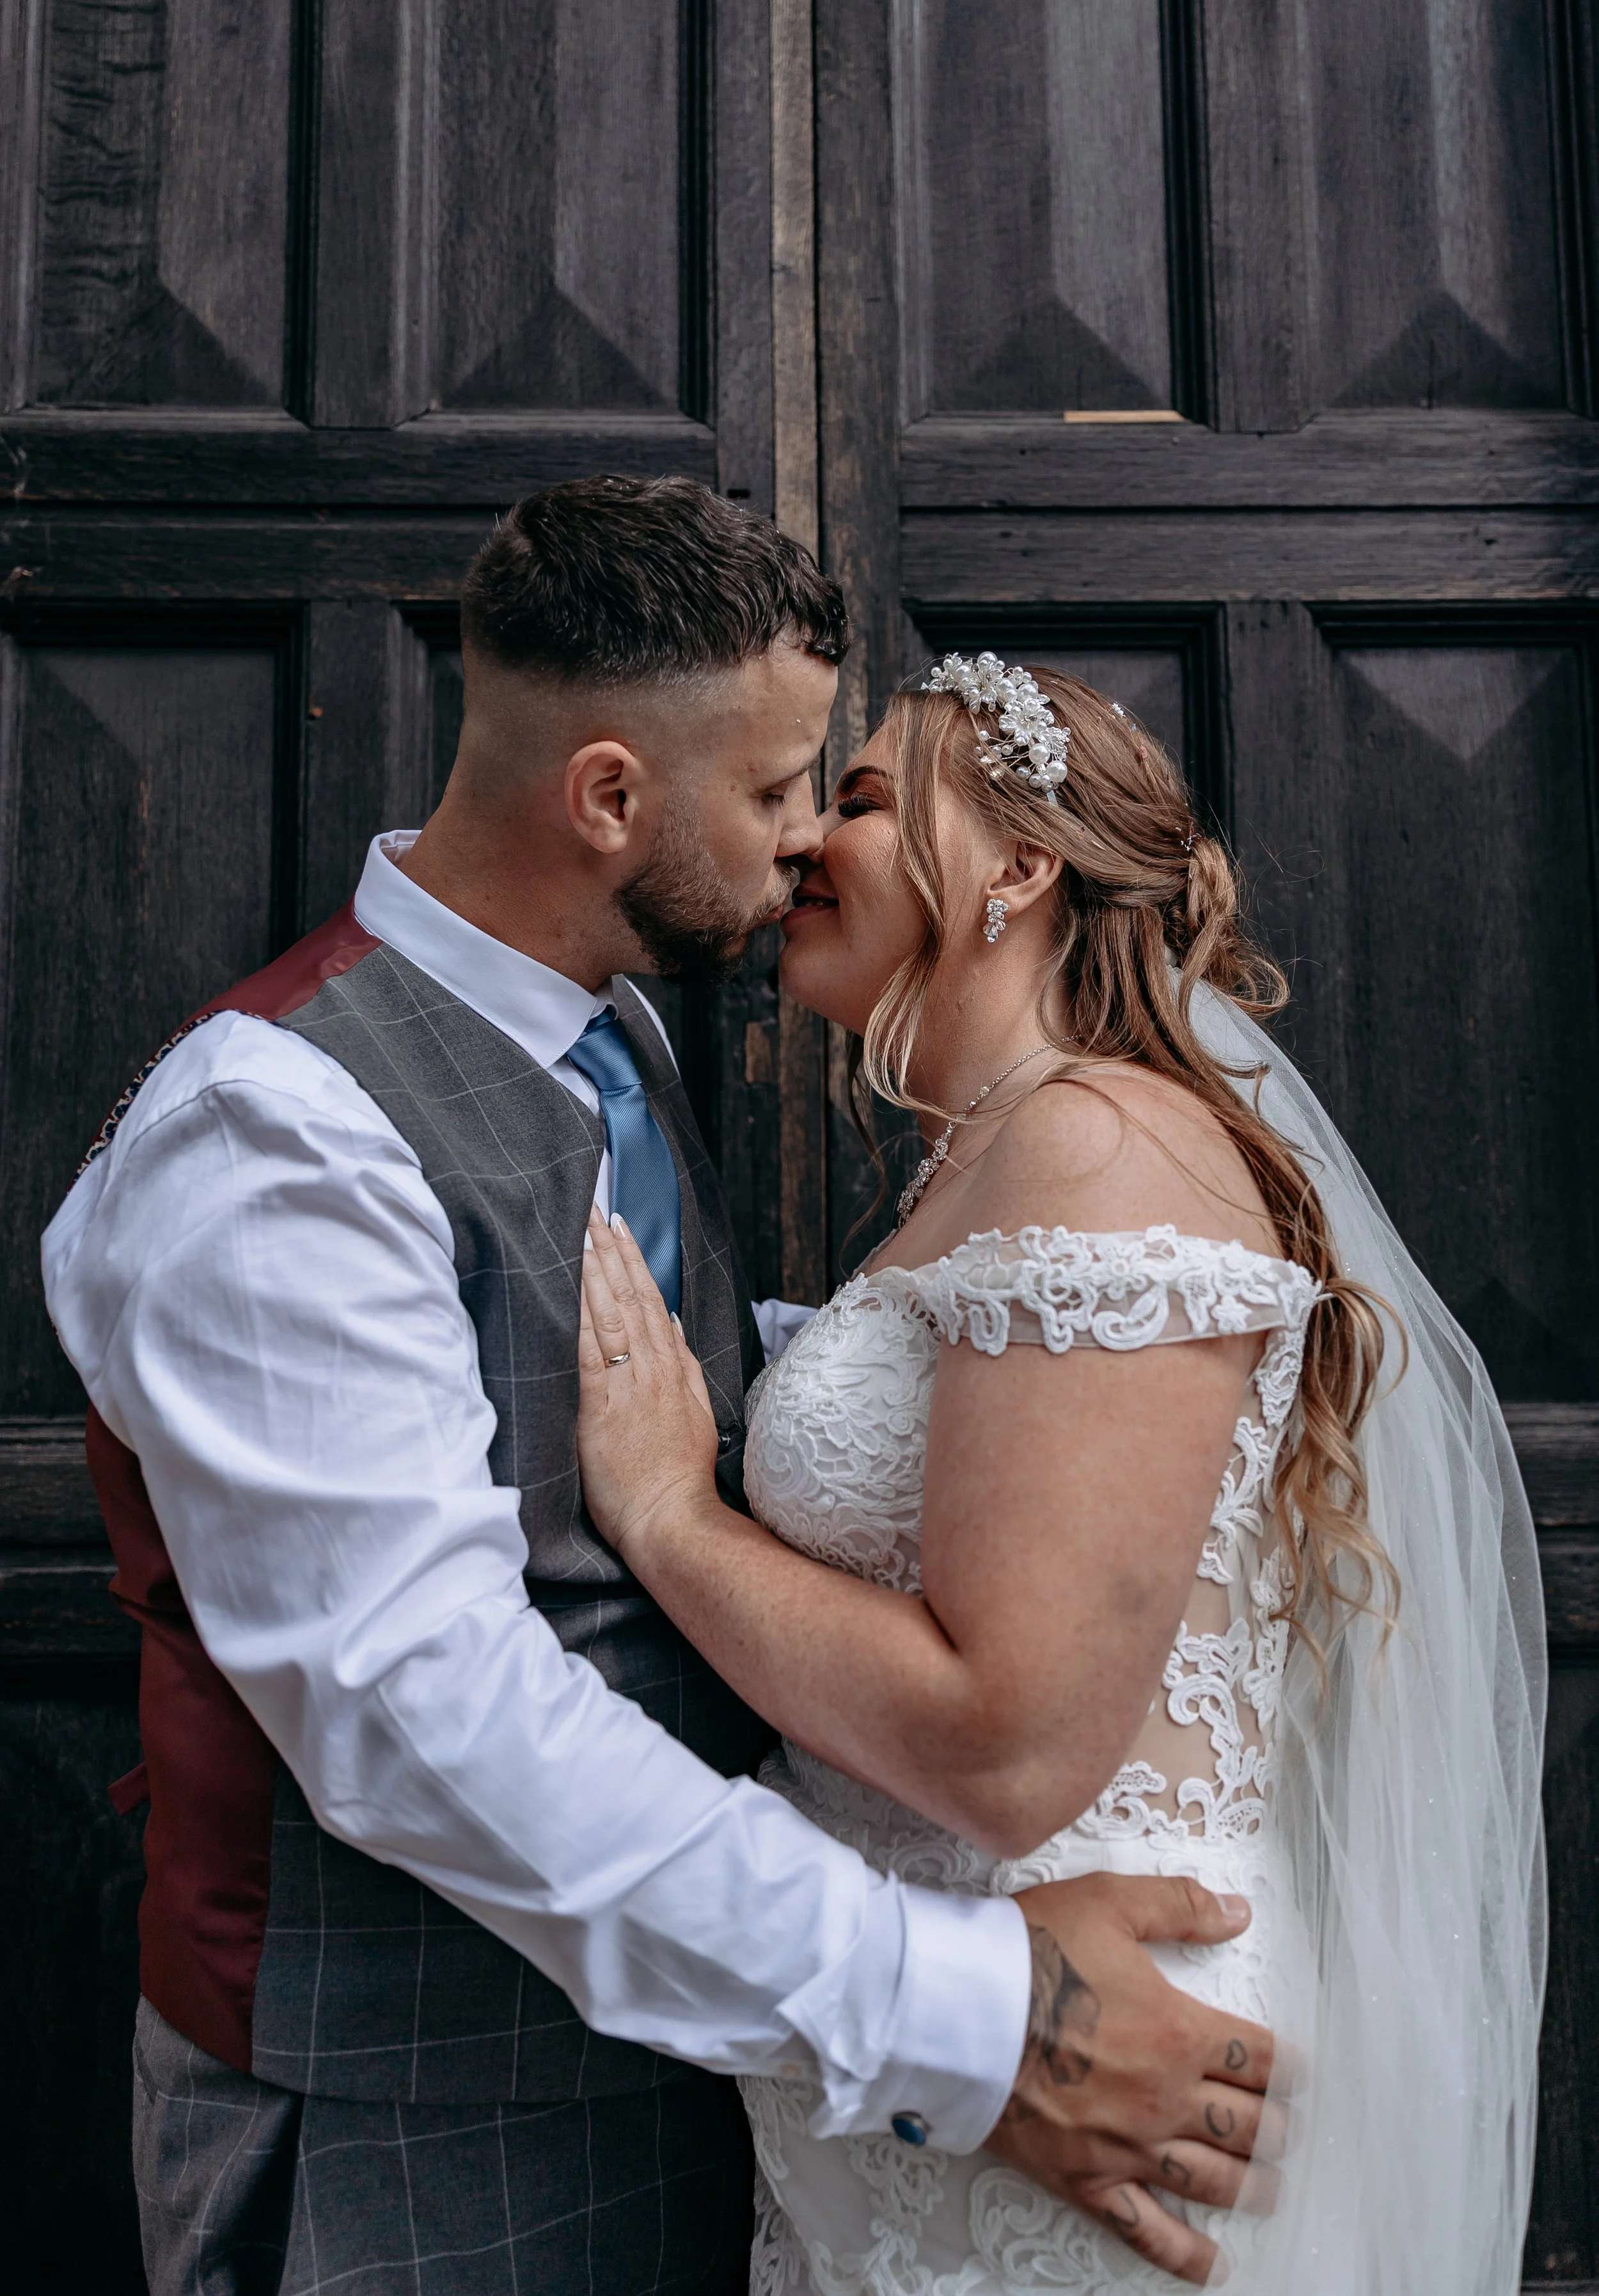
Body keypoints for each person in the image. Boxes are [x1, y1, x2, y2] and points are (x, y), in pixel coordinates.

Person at [43, 487, 1275, 2296]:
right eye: (782, 790)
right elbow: (421, 1713)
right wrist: (961, 2008)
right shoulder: (274, 1134)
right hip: (422, 2122)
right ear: (609, 795)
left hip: (725, 2074)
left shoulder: (609, 1027)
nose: (805, 845)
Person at [573, 652, 1548, 2295]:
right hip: (940, 2058)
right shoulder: (993, 1161)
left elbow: (1007, 1739)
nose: (808, 838)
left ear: (1019, 868)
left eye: (865, 800)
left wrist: (667, 1513)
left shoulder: (1096, 1145)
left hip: (1091, 2062)